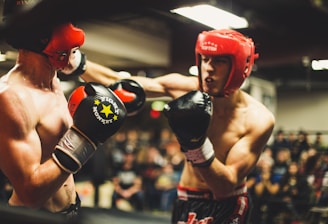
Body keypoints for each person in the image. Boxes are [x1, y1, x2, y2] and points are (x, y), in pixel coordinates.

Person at [81, 29, 275, 223]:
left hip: (226, 205)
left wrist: (196, 145)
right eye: (205, 59)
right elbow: (118, 83)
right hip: (185, 198)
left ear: (240, 66)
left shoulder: (258, 119)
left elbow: (225, 186)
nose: (208, 68)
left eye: (219, 61)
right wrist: (73, 61)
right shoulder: (186, 88)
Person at [0, 0, 127, 221]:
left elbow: (105, 75)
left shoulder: (54, 79)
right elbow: (30, 193)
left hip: (70, 210)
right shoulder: (12, 98)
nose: (72, 29)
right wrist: (85, 138)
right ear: (40, 34)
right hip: (35, 217)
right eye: (61, 22)